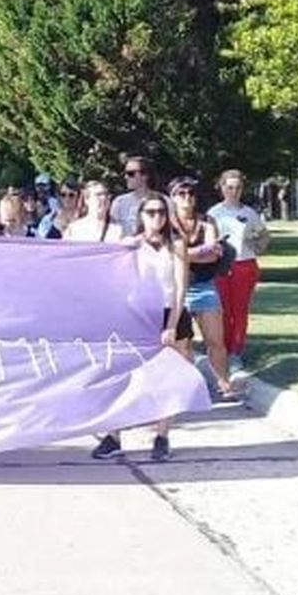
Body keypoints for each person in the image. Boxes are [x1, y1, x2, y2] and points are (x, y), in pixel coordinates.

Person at [91, 192, 191, 462]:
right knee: (128, 375)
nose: (156, 217)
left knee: (167, 377)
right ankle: (114, 436)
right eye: (150, 212)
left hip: (170, 312)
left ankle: (162, 435)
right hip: (138, 314)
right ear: (141, 216)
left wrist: (171, 324)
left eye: (161, 212)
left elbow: (181, 287)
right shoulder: (130, 244)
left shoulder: (177, 244)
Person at [170, 177, 234, 399]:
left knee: (215, 340)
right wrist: (199, 252)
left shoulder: (207, 222)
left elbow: (214, 255)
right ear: (173, 197)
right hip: (176, 289)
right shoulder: (167, 222)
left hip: (203, 286)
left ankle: (223, 383)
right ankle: (185, 388)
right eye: (181, 194)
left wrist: (183, 255)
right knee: (182, 343)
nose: (187, 198)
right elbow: (167, 256)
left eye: (191, 193)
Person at [208, 169, 269, 370]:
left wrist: (257, 242)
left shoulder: (249, 213)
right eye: (229, 187)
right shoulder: (213, 213)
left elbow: (263, 238)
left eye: (238, 188)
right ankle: (222, 348)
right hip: (221, 266)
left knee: (240, 311)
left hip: (245, 265)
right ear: (222, 187)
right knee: (222, 310)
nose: (233, 191)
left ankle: (236, 352)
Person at [111, 155, 158, 236]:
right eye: (125, 173)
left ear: (145, 175)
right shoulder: (119, 202)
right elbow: (113, 232)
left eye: (130, 174)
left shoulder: (163, 201)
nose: (126, 177)